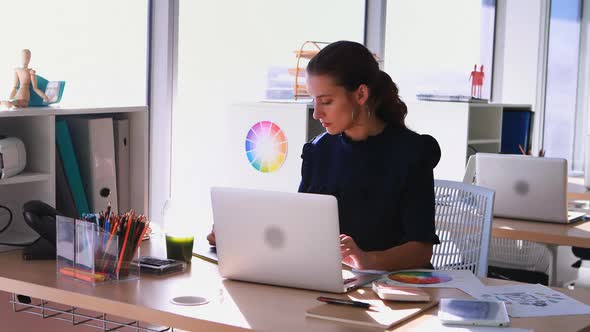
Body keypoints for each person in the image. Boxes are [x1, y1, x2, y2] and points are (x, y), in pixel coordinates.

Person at [208, 40, 440, 272]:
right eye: (314, 101)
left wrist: (368, 261)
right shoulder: (318, 151)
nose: (317, 113)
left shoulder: (412, 152)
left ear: (361, 94)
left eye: (326, 101)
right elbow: (301, 227)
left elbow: (420, 249)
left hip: (395, 288)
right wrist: (242, 236)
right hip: (336, 280)